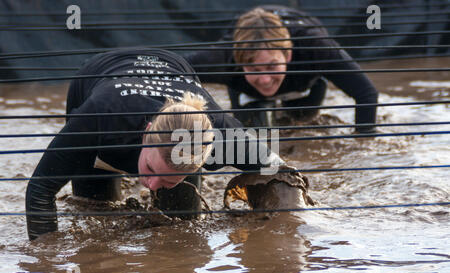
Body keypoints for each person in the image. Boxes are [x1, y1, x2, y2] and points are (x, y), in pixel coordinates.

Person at [25, 48, 287, 241]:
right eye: (150, 170)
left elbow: (283, 174)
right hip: (97, 75)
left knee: (181, 229)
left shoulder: (223, 133)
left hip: (173, 67)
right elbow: (40, 190)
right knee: (94, 210)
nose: (149, 186)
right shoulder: (98, 116)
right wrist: (47, 260)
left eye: (166, 179)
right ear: (147, 132)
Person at [184, 5, 379, 132]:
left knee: (302, 123)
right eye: (254, 69)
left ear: (288, 55)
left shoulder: (315, 47)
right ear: (239, 60)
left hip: (302, 82)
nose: (266, 79)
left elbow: (366, 93)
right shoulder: (223, 58)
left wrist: (362, 138)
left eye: (272, 66)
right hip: (244, 88)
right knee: (253, 136)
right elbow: (171, 68)